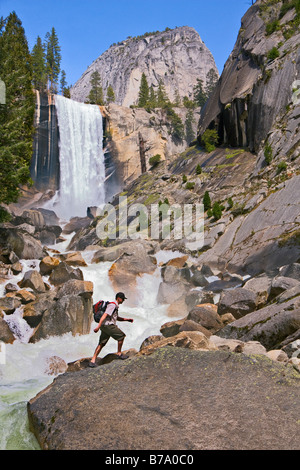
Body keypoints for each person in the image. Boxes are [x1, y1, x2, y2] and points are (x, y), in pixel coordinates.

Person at [89, 292, 134, 367]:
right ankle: (119, 354)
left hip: (105, 326)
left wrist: (127, 319)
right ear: (119, 298)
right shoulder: (112, 305)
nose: (123, 300)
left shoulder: (114, 306)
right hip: (108, 326)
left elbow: (116, 318)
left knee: (101, 343)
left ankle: (92, 361)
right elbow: (104, 315)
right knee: (121, 336)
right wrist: (98, 327)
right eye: (123, 299)